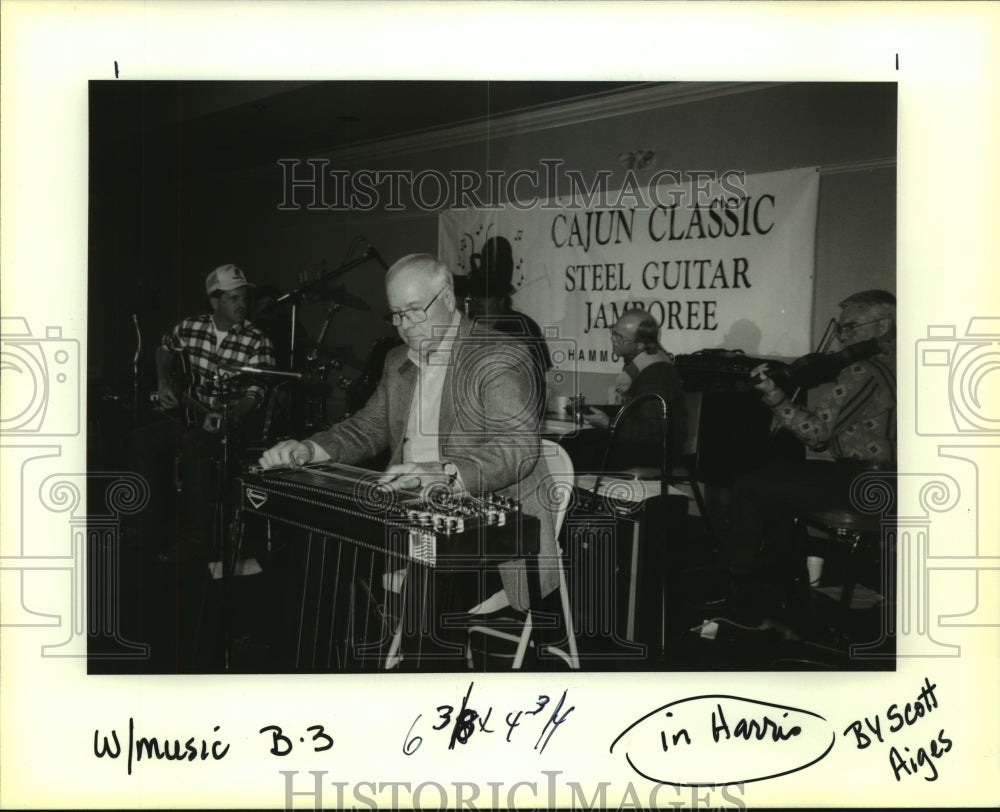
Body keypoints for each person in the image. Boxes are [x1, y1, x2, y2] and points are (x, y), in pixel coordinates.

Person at [259, 253, 556, 619]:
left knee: (428, 578)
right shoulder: (398, 361)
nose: (405, 326)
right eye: (397, 314)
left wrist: (444, 472)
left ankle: (419, 669)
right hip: (410, 514)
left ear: (448, 298)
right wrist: (307, 449)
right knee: (320, 550)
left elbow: (516, 449)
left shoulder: (499, 354)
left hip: (490, 531)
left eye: (415, 310)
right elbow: (366, 428)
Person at [717, 289, 897, 593]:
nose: (841, 338)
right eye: (839, 328)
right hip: (888, 479)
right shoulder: (895, 364)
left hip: (867, 482)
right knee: (779, 475)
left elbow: (816, 434)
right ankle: (785, 576)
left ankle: (737, 583)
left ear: (883, 326)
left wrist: (774, 397)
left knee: (749, 485)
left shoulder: (862, 369)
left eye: (850, 328)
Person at [143, 264, 276, 561]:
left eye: (244, 298)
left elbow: (255, 394)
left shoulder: (257, 340)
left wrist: (229, 412)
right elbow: (165, 347)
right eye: (233, 298)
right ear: (214, 301)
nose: (242, 304)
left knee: (196, 445)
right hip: (189, 416)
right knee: (140, 442)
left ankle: (195, 539)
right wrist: (164, 383)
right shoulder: (190, 327)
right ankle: (145, 527)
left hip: (232, 425)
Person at [574, 308, 687, 473]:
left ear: (641, 343)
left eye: (620, 337)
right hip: (645, 445)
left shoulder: (655, 373)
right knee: (582, 441)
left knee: (576, 446)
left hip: (656, 452)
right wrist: (598, 411)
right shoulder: (644, 362)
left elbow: (653, 431)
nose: (612, 339)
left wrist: (608, 423)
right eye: (613, 332)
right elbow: (637, 411)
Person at [462, 236, 551, 400]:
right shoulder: (463, 328)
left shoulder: (525, 328)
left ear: (501, 299)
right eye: (476, 294)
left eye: (487, 295)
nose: (480, 300)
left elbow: (537, 380)